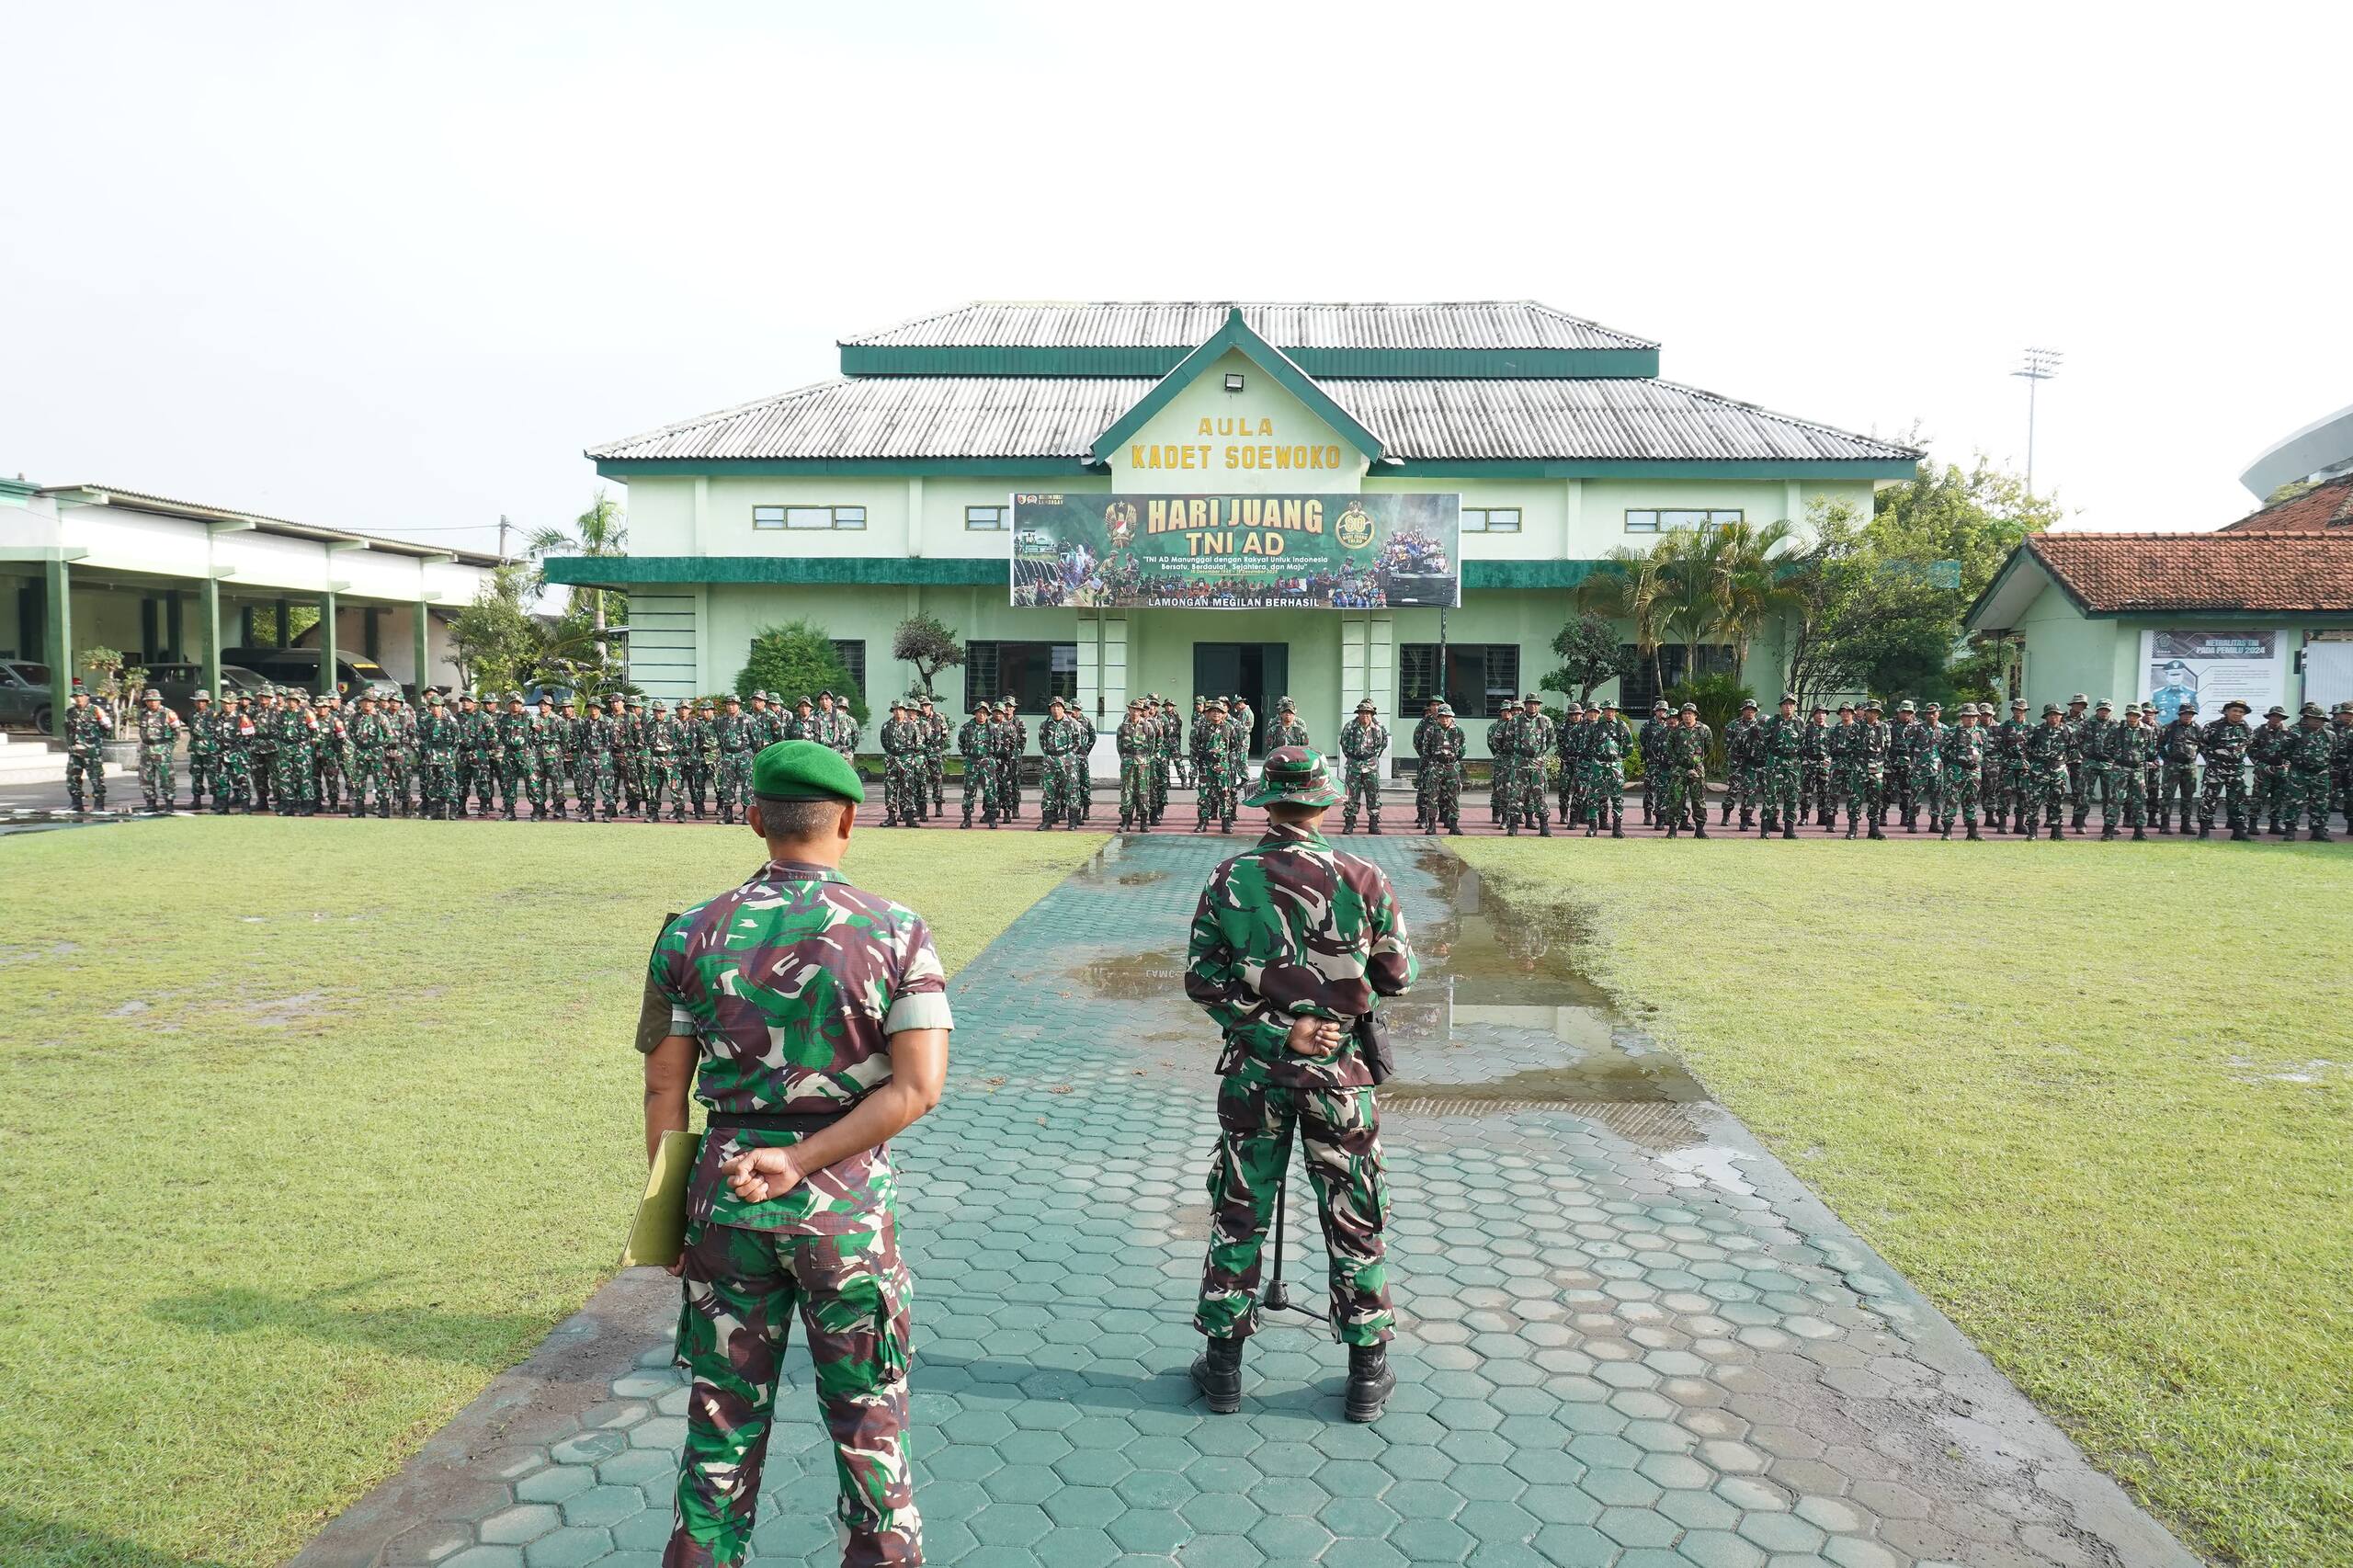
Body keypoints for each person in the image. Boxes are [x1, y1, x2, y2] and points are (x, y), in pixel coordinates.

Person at [643, 740, 949, 1568]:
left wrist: (665, 1223)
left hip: (724, 1204)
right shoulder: (896, 930)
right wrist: (807, 1157)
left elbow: (663, 1093)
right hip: (842, 1211)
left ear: (755, 822)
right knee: (868, 1420)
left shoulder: (688, 934)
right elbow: (916, 1090)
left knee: (720, 1420)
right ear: (849, 820)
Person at [1184, 745, 1416, 1423]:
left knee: (1238, 1211)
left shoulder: (1229, 878)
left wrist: (1273, 1030)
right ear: (1326, 800)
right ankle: (1366, 1373)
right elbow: (1398, 976)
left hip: (1254, 1077)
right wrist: (1333, 1013)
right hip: (1339, 1080)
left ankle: (1223, 1368)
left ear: (1267, 800)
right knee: (1355, 1215)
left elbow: (1204, 978)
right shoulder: (1365, 877)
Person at [2198, 699, 2255, 841]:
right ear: (2226, 712)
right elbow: (2202, 744)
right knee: (2209, 799)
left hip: (2236, 770)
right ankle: (2204, 831)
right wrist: (2212, 759)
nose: (2238, 714)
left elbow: (2250, 747)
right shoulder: (2213, 726)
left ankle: (2238, 832)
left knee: (2237, 800)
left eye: (2241, 712)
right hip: (2216, 769)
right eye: (2234, 710)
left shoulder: (2247, 729)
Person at [2282, 702, 2336, 842]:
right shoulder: (2295, 734)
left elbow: (2333, 753)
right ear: (2306, 719)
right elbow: (2284, 751)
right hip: (2299, 773)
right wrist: (2298, 761)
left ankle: (2318, 831)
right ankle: (2290, 830)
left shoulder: (2330, 735)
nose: (2318, 721)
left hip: (2320, 774)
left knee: (2320, 803)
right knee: (2294, 802)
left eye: (2321, 719)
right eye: (2314, 718)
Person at [1337, 698, 1389, 835]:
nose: (1365, 715)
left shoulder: (1377, 728)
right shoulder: (1350, 726)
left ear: (1372, 715)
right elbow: (1344, 743)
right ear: (1358, 714)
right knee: (1351, 796)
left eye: (1367, 713)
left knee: (1373, 795)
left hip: (1371, 767)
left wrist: (1371, 757)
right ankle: (1349, 823)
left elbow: (1382, 745)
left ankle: (1373, 824)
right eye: (1362, 713)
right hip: (1354, 766)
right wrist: (1354, 757)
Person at [1756, 695, 1802, 838]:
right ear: (1780, 706)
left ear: (1794, 706)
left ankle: (1789, 830)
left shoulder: (1799, 722)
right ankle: (1765, 828)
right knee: (1770, 795)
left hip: (1793, 764)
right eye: (1785, 704)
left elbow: (1802, 744)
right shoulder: (1772, 722)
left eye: (1791, 704)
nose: (1788, 706)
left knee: (1792, 796)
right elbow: (1764, 743)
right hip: (1775, 763)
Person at [134, 687, 182, 810]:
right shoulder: (142, 713)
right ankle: (150, 803)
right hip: (146, 749)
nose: (152, 703)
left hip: (162, 749)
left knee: (166, 778)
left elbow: (176, 733)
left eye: (155, 700)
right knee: (145, 778)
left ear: (159, 701)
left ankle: (169, 803)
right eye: (149, 700)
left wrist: (168, 748)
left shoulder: (168, 713)